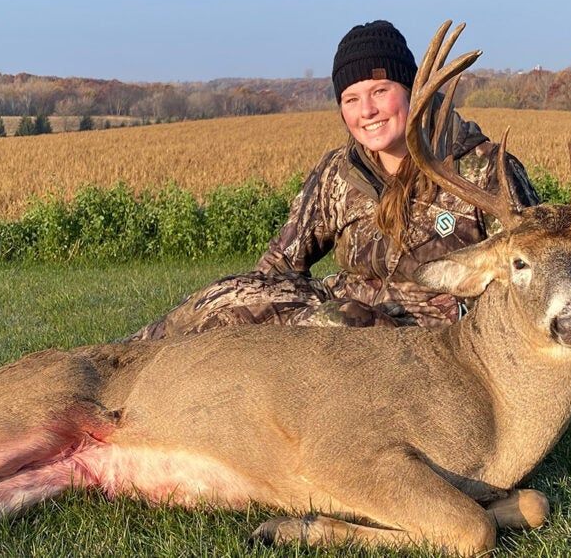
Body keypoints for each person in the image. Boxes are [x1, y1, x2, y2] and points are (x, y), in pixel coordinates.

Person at [129, 20, 538, 341]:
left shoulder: (483, 168)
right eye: (352, 99)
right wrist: (247, 302)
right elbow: (280, 266)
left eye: (381, 91)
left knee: (336, 324)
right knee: (228, 297)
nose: (368, 111)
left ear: (412, 90)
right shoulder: (340, 172)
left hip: (436, 345)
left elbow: (538, 267)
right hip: (344, 311)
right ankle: (124, 356)